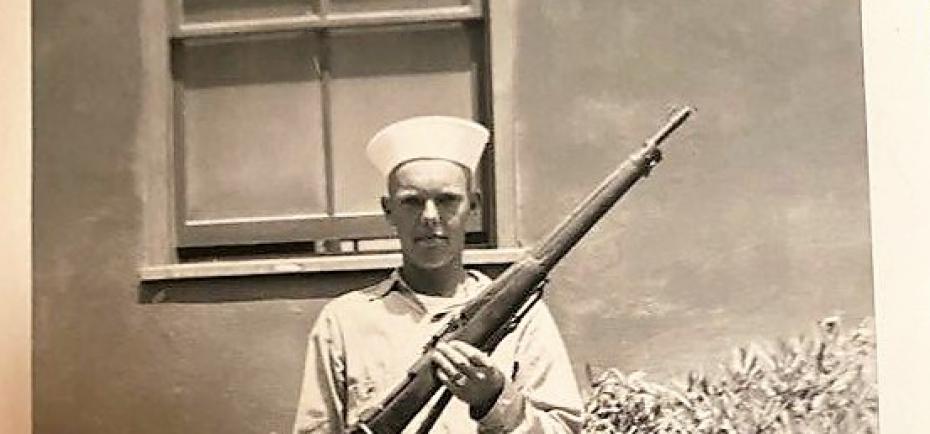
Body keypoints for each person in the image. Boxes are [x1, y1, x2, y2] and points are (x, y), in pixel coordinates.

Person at [293, 116, 583, 434]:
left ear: (473, 206)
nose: (430, 217)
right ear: (388, 211)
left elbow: (564, 429)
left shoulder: (522, 319)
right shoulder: (343, 322)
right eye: (412, 202)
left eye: (447, 200)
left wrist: (495, 399)